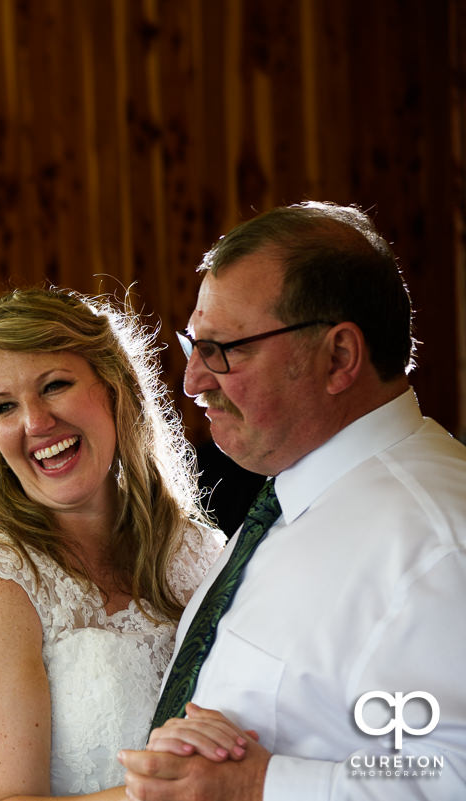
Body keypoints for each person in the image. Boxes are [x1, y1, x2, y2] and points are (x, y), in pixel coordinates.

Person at [120, 201, 466, 800]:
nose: (194, 381)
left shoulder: (436, 544)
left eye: (225, 349)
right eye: (193, 344)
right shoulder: (297, 498)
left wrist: (259, 785)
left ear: (338, 358)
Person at [0, 287, 228, 799]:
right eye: (4, 406)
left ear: (114, 388)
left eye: (54, 385)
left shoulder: (194, 550)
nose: (35, 423)